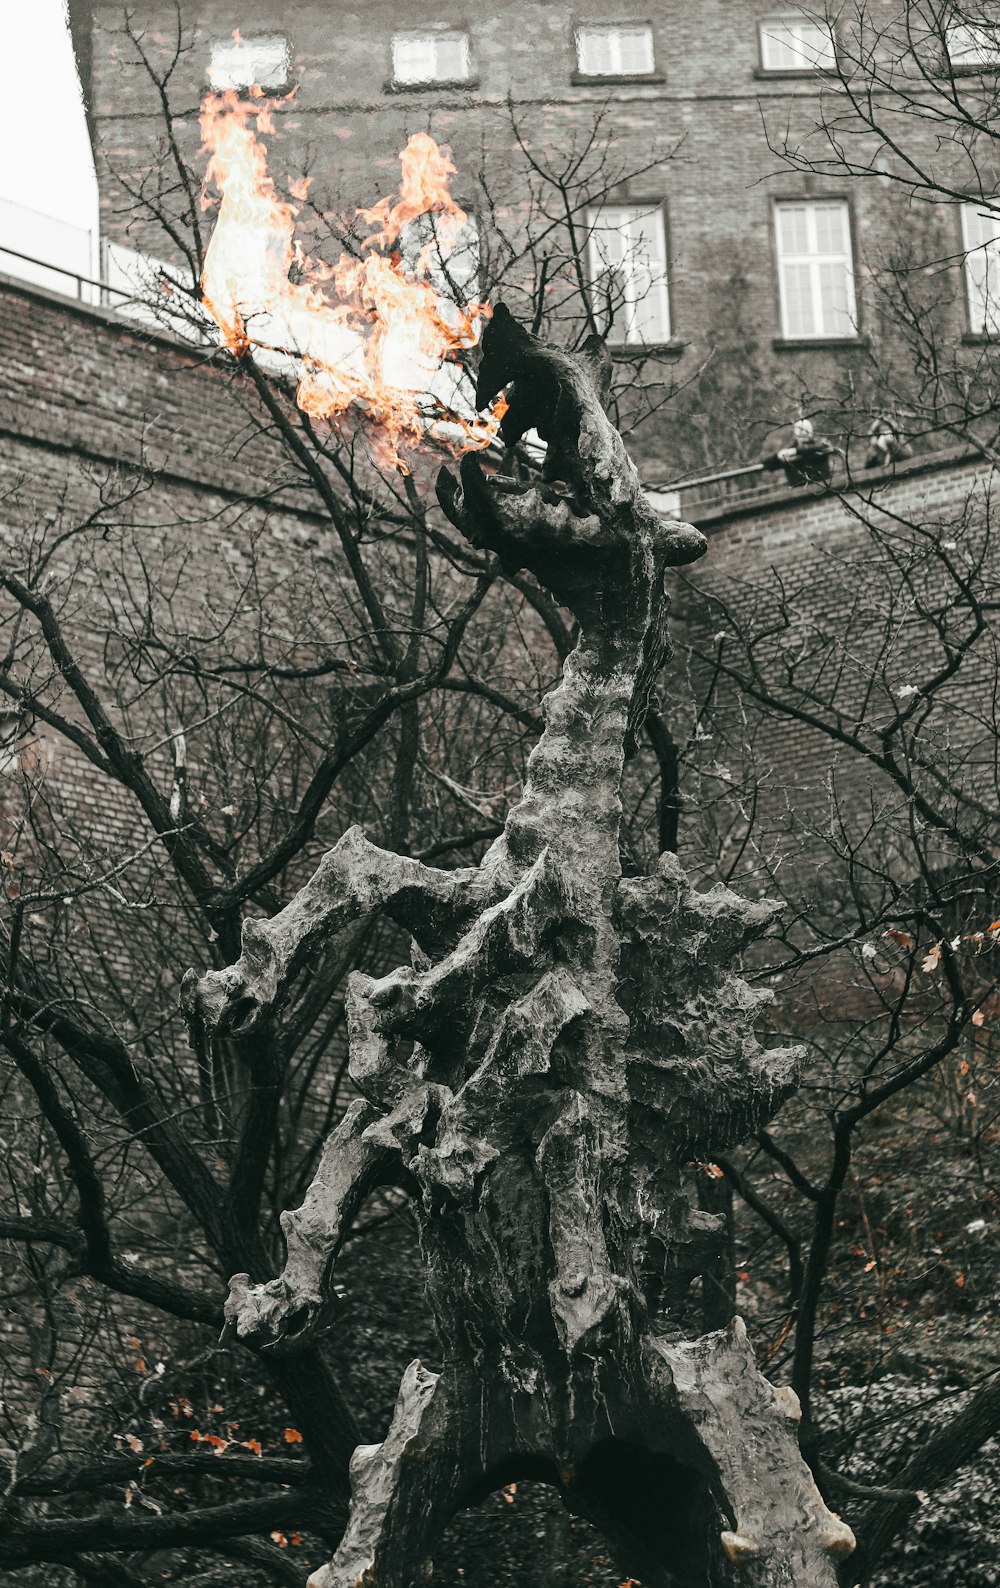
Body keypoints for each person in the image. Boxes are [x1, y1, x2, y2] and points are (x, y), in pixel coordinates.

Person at [761, 418, 834, 487]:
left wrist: (795, 451)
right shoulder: (788, 450)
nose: (804, 434)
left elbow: (823, 447)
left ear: (811, 432)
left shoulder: (820, 445)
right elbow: (767, 463)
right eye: (800, 433)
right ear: (795, 434)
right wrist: (777, 456)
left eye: (806, 432)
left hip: (823, 487)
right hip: (798, 492)